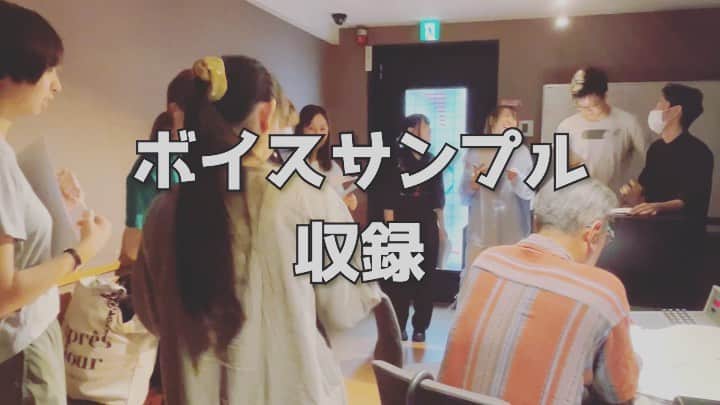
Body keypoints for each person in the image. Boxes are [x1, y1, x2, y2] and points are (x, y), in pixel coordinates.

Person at [131, 56, 383, 405]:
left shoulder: (163, 211)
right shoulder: (307, 198)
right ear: (266, 116)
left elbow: (153, 318)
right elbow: (347, 308)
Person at [439, 179, 640, 405]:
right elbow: (620, 393)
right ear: (593, 233)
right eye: (606, 235)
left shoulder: (486, 262)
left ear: (535, 222)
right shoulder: (602, 291)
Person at [0, 2, 112, 403]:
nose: (57, 85)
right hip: (22, 346)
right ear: (8, 71)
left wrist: (52, 207)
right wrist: (81, 253)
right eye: (49, 70)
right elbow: (4, 292)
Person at [382, 114, 446, 343]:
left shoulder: (432, 160)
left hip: (427, 223)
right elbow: (388, 198)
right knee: (400, 278)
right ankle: (399, 325)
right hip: (402, 222)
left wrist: (442, 228)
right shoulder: (396, 160)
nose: (428, 134)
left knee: (426, 279)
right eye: (425, 129)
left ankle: (421, 327)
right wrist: (390, 228)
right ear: (410, 132)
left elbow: (438, 198)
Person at [460, 105, 534, 285]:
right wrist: (473, 184)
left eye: (514, 118)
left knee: (511, 286)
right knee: (478, 285)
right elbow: (463, 195)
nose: (510, 121)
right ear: (492, 121)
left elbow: (530, 195)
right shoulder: (476, 150)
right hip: (481, 232)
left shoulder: (521, 152)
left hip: (513, 233)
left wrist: (516, 180)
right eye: (506, 116)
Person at [621, 83, 713, 222]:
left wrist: (659, 206)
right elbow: (645, 193)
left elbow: (691, 198)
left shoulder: (699, 152)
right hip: (652, 227)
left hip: (684, 229)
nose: (654, 109)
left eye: (660, 103)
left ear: (675, 111)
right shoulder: (656, 149)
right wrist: (632, 197)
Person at [557, 67, 652, 195]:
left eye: (594, 106)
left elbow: (654, 161)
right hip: (578, 201)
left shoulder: (628, 122)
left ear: (605, 97)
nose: (588, 111)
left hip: (615, 200)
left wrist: (638, 189)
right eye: (582, 107)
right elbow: (559, 171)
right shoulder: (566, 126)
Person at [295, 104, 358, 211]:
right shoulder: (293, 164)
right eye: (311, 128)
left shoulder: (332, 167)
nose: (318, 134)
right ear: (301, 130)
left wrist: (349, 201)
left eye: (322, 129)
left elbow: (340, 198)